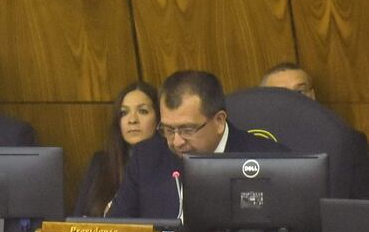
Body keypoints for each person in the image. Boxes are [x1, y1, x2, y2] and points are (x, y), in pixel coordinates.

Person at [110, 70, 287, 219]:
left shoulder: (270, 160)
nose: (177, 142)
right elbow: (116, 230)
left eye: (187, 129)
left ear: (219, 121)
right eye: (168, 129)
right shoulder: (146, 158)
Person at [260, 62, 369, 199]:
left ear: (312, 95)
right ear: (264, 100)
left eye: (299, 92)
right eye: (282, 93)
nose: (294, 99)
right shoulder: (252, 143)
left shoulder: (347, 141)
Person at [74, 81, 159, 216]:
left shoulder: (169, 165)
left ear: (159, 120)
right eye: (124, 113)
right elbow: (77, 221)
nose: (132, 120)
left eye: (142, 111)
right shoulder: (101, 163)